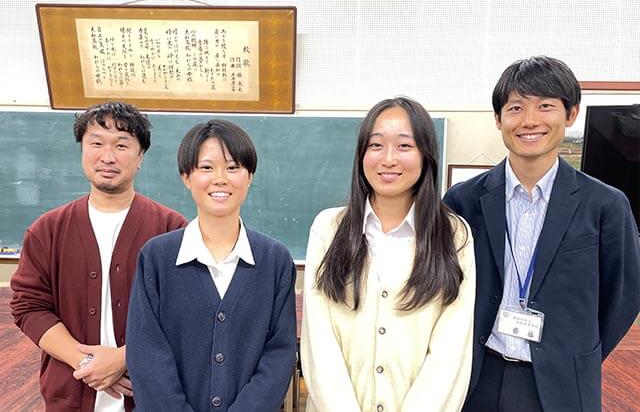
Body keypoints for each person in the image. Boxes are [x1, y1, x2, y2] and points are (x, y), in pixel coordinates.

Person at [444, 55, 640, 411]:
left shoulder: (606, 205)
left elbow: (623, 297)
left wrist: (575, 352)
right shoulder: (462, 201)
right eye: (516, 107)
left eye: (546, 106)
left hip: (562, 383)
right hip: (476, 378)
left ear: (571, 114)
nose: (529, 120)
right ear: (499, 118)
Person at [301, 96, 476, 412]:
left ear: (425, 155)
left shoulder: (453, 234)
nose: (389, 159)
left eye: (405, 146)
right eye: (376, 145)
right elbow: (319, 343)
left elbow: (451, 352)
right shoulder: (328, 228)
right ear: (362, 155)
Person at [10, 101, 187, 412]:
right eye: (96, 143)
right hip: (70, 393)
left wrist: (124, 358)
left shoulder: (171, 229)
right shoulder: (47, 230)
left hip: (149, 395)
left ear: (140, 155)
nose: (107, 156)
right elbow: (30, 306)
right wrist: (89, 364)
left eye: (121, 145)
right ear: (82, 149)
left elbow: (184, 313)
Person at [126, 119, 297, 411]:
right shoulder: (157, 258)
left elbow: (279, 354)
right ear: (186, 176)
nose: (221, 178)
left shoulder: (275, 261)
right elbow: (147, 355)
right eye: (206, 168)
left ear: (250, 176)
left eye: (233, 167)